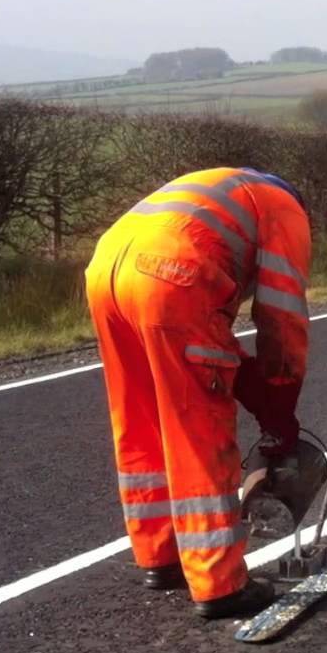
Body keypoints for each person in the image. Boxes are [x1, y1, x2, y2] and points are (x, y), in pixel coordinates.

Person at [84, 167, 311, 618]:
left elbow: (219, 345)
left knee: (140, 420)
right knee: (197, 430)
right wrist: (280, 403)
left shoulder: (221, 188)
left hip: (105, 271)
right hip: (170, 277)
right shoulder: (286, 211)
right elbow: (281, 316)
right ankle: (218, 583)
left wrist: (251, 387)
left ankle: (160, 556)